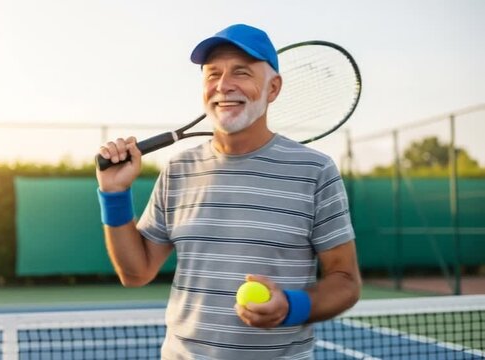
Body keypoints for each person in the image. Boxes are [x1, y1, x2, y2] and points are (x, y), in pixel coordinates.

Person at [96, 23, 361, 359]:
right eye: (212, 74)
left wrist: (291, 307)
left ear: (273, 88)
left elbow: (345, 280)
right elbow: (135, 273)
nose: (224, 85)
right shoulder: (178, 170)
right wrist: (115, 195)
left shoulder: (316, 171)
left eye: (241, 72)